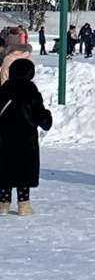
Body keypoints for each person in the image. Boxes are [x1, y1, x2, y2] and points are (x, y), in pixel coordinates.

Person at [0, 57, 52, 216]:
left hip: (3, 139)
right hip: (25, 140)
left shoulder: (3, 90)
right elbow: (42, 118)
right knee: (24, 171)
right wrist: (47, 117)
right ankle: (23, 205)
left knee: (4, 171)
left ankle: (3, 204)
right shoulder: (32, 92)